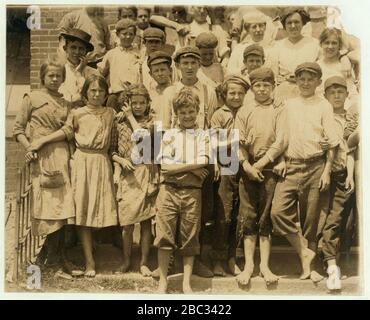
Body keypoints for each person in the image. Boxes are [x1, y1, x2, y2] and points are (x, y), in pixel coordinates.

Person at [30, 75, 118, 277]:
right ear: (86, 93)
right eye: (92, 90)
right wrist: (41, 141)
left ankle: (98, 250)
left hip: (102, 162)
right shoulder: (77, 113)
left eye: (101, 91)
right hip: (82, 163)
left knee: (101, 210)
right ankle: (89, 262)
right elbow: (66, 131)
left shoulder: (111, 113)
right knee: (83, 211)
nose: (97, 94)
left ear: (106, 94)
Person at [271, 62, 340, 281]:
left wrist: (327, 170)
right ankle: (304, 251)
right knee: (278, 212)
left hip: (315, 166)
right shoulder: (288, 104)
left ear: (318, 82)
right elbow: (280, 138)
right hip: (291, 166)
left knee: (312, 219)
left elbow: (331, 142)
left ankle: (308, 267)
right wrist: (280, 159)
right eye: (302, 78)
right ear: (296, 80)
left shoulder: (324, 105)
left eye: (311, 79)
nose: (306, 82)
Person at [13, 57, 75, 271]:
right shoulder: (32, 98)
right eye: (51, 75)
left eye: (59, 76)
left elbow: (68, 130)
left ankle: (57, 257)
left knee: (63, 207)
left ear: (63, 78)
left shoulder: (66, 103)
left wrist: (43, 139)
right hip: (42, 158)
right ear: (43, 77)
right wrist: (31, 146)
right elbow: (18, 130)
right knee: (46, 206)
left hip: (61, 156)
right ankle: (45, 257)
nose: (55, 79)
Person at [154, 88, 210, 293]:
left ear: (197, 112)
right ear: (176, 113)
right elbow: (165, 168)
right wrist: (193, 169)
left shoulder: (203, 135)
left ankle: (186, 282)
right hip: (168, 191)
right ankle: (163, 281)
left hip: (192, 193)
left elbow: (204, 160)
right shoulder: (169, 135)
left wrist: (189, 167)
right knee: (164, 236)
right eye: (183, 112)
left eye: (191, 111)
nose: (187, 116)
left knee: (190, 237)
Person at [234, 67, 285, 286]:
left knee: (265, 218)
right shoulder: (245, 110)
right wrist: (246, 165)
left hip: (269, 168)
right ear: (252, 88)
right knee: (248, 217)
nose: (262, 89)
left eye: (266, 85)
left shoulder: (279, 109)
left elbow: (281, 140)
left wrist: (261, 164)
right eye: (257, 86)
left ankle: (264, 265)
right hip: (248, 169)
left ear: (273, 87)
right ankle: (249, 266)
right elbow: (238, 140)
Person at [112, 84, 159, 276]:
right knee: (127, 223)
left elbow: (145, 142)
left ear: (148, 104)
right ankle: (126, 260)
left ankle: (144, 261)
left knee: (146, 222)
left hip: (146, 172)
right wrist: (120, 161)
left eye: (142, 103)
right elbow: (112, 150)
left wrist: (130, 117)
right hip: (127, 175)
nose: (138, 106)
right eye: (134, 103)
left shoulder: (153, 122)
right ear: (128, 103)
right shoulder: (119, 123)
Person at [210, 75, 250, 276]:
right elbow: (213, 141)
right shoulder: (219, 114)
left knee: (239, 212)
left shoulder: (248, 111)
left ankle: (233, 257)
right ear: (225, 95)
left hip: (246, 163)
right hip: (225, 161)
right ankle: (217, 259)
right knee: (223, 212)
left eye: (240, 93)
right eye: (232, 93)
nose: (236, 96)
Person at [319, 76, 356, 291]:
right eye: (332, 92)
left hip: (343, 173)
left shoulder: (352, 118)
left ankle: (336, 262)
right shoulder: (320, 115)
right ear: (325, 95)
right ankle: (330, 267)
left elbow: (350, 150)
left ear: (346, 94)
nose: (336, 96)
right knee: (325, 219)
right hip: (321, 173)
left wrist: (349, 174)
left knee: (343, 220)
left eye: (340, 92)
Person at [271, 7, 320, 102]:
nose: (293, 26)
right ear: (284, 25)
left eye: (296, 22)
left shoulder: (314, 44)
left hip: (309, 90)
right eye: (289, 23)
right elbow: (273, 75)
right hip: (285, 90)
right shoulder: (277, 46)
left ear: (303, 23)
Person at [98, 18, 141, 111]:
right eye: (124, 34)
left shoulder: (138, 54)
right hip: (115, 96)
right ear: (117, 34)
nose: (128, 37)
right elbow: (101, 74)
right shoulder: (111, 54)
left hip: (133, 96)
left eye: (131, 34)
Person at [317, 28, 358, 107]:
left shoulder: (345, 66)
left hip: (343, 108)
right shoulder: (317, 66)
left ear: (339, 45)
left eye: (334, 43)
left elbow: (352, 92)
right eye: (327, 43)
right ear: (321, 44)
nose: (330, 46)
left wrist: (354, 107)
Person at [58, 28, 98, 108]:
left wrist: (79, 73)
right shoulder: (59, 71)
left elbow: (92, 97)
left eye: (81, 49)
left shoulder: (93, 73)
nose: (77, 52)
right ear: (65, 49)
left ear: (86, 52)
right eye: (73, 47)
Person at [227, 11, 274, 75]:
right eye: (254, 27)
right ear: (247, 30)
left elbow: (274, 72)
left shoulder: (272, 48)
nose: (258, 29)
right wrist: (242, 70)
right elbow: (229, 72)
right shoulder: (239, 48)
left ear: (265, 27)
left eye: (260, 26)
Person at [146, 51, 174, 124]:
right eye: (156, 71)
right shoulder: (149, 95)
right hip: (156, 130)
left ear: (170, 70)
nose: (160, 74)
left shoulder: (176, 91)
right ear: (151, 74)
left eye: (163, 70)